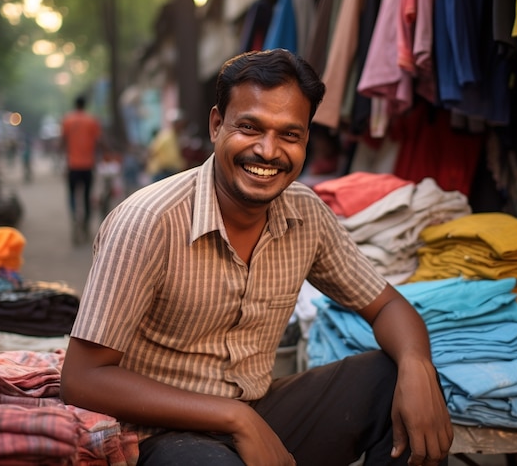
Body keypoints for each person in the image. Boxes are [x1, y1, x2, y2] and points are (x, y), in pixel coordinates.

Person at [60, 49, 452, 466]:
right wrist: (234, 417)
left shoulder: (305, 212)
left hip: (257, 412)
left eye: (289, 134)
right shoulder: (149, 221)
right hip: (160, 436)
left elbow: (388, 304)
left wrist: (416, 363)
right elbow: (83, 379)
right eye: (250, 127)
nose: (268, 151)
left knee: (399, 380)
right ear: (216, 125)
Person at [60, 95, 102, 244]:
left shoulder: (67, 120)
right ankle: (85, 224)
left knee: (72, 195)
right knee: (86, 196)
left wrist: (62, 159)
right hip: (88, 165)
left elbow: (62, 142)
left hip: (72, 165)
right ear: (85, 105)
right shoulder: (92, 120)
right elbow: (98, 142)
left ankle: (74, 220)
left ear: (75, 104)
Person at [145, 108, 187, 182]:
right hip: (162, 172)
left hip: (172, 172)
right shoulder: (165, 136)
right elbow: (152, 151)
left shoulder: (177, 137)